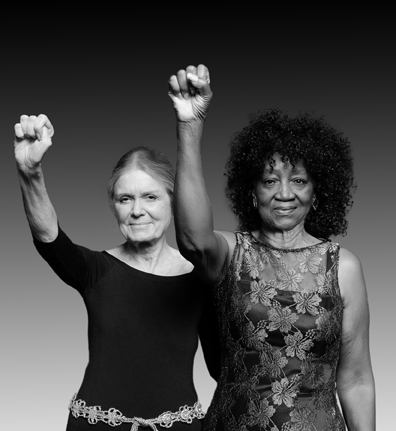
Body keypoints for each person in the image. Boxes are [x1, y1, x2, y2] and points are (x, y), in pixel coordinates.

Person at [168, 65, 375, 430]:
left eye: (298, 180)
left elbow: (356, 380)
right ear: (252, 192)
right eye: (269, 180)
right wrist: (190, 124)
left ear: (317, 191)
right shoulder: (232, 253)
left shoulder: (343, 267)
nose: (284, 193)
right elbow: (193, 241)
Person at [14, 114, 220, 431]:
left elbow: (224, 367)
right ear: (114, 206)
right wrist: (30, 173)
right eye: (125, 199)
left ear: (174, 201)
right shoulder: (96, 270)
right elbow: (49, 237)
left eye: (150, 197)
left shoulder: (203, 276)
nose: (137, 210)